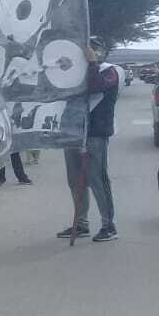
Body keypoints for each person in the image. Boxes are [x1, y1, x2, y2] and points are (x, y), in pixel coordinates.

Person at [59, 40, 120, 242]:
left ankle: (108, 225)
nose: (89, 52)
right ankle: (81, 222)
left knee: (97, 179)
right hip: (73, 133)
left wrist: (92, 63)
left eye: (94, 48)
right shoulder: (74, 73)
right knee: (75, 181)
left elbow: (95, 86)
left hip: (95, 134)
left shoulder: (109, 71)